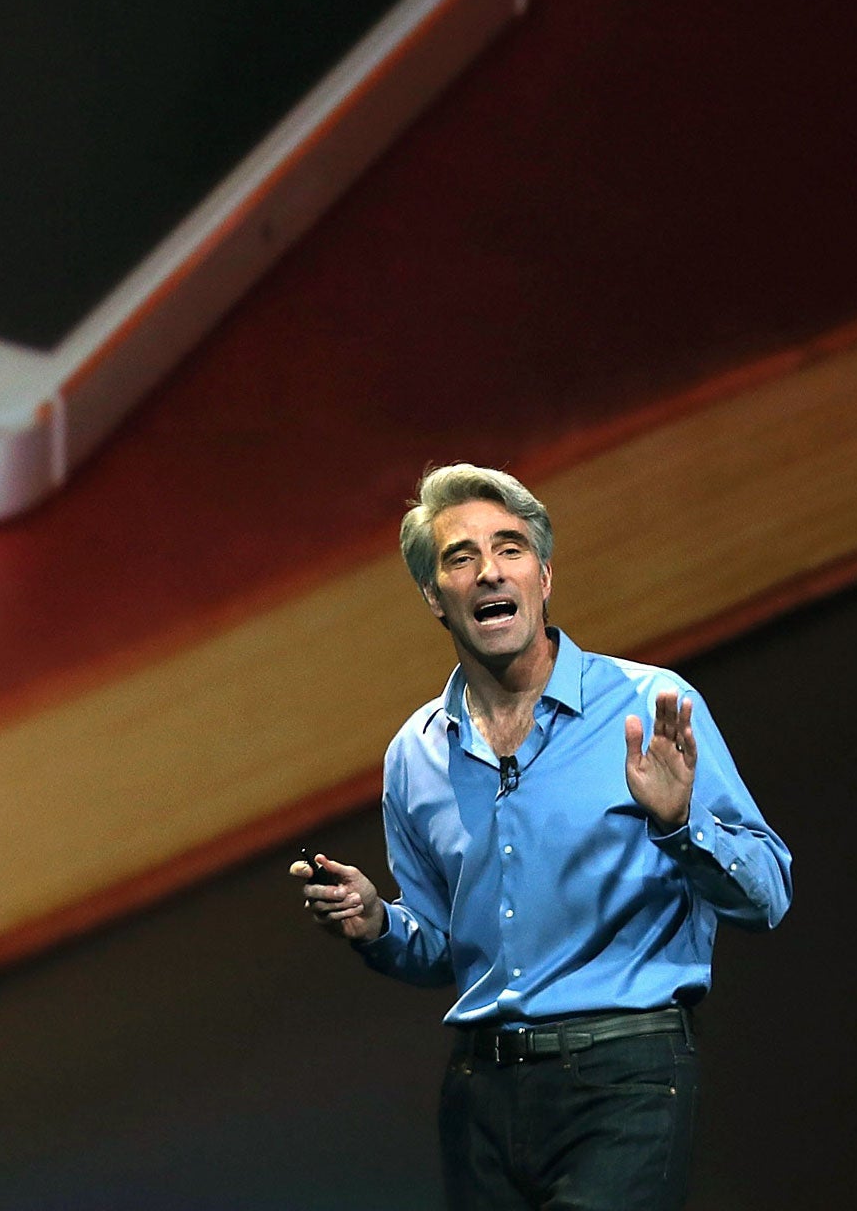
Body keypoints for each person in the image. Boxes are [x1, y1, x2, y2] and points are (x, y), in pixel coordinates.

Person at [294, 463, 791, 1211]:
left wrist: (681, 823)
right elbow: (440, 944)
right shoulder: (416, 754)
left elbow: (769, 894)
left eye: (510, 548)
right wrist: (376, 925)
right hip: (481, 1095)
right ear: (434, 595)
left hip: (626, 1077)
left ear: (545, 575)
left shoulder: (652, 705)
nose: (489, 570)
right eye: (460, 558)